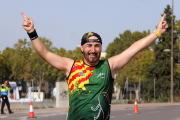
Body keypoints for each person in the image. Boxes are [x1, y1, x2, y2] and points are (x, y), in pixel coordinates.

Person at [21, 12, 168, 120]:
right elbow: (45, 54)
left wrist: (157, 33)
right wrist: (31, 32)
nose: (93, 50)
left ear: (101, 48)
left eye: (97, 46)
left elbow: (133, 49)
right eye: (89, 45)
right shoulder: (71, 66)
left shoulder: (109, 65)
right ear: (82, 48)